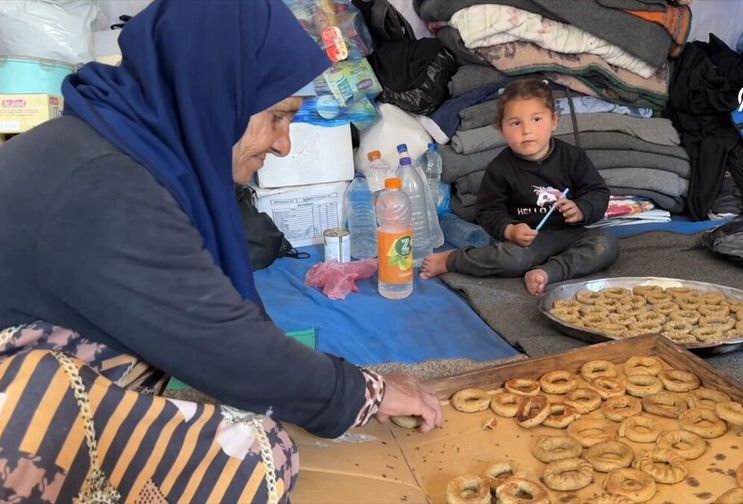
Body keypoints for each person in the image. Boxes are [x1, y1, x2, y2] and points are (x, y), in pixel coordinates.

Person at [0, 1, 441, 502]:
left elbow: (210, 315)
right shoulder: (103, 183)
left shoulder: (122, 150)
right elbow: (223, 344)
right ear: (212, 94)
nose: (283, 146)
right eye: (278, 117)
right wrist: (365, 391)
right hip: (15, 397)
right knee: (256, 456)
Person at [421, 79, 619, 295]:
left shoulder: (573, 157)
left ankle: (547, 273)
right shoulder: (500, 168)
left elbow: (597, 192)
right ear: (501, 129)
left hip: (571, 234)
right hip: (527, 242)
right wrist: (510, 229)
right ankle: (452, 260)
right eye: (516, 123)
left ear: (554, 121)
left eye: (536, 119)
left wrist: (582, 209)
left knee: (606, 245)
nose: (527, 130)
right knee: (511, 260)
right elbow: (488, 212)